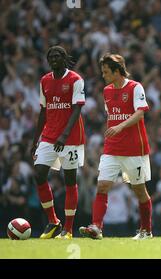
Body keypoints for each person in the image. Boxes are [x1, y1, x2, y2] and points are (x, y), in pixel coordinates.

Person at [79, 54, 153, 240]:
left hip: (134, 148)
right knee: (102, 185)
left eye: (106, 72)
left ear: (117, 71)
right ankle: (96, 227)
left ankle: (146, 230)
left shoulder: (135, 87)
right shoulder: (106, 91)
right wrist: (114, 129)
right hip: (112, 148)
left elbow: (140, 114)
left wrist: (119, 127)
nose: (103, 75)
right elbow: (112, 115)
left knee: (139, 190)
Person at [31, 46, 85, 239]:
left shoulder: (75, 79)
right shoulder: (44, 80)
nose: (53, 58)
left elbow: (77, 109)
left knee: (70, 180)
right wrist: (35, 139)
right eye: (50, 56)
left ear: (64, 58)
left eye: (57, 56)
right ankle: (53, 221)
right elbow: (43, 111)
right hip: (48, 136)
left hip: (70, 138)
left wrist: (64, 135)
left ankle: (68, 229)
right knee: (39, 174)